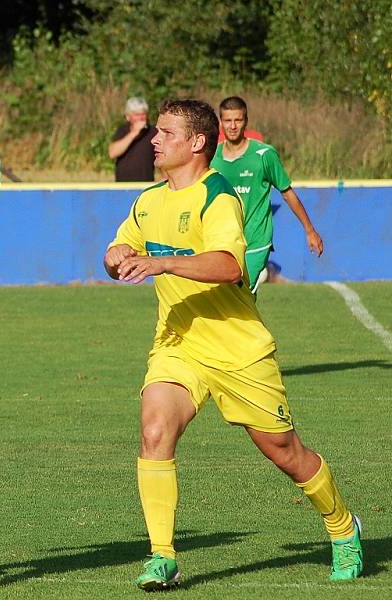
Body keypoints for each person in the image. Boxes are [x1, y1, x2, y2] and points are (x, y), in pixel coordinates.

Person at [103, 99, 363, 591]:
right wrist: (115, 256)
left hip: (238, 350)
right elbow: (117, 253)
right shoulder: (147, 201)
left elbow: (229, 266)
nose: (153, 141)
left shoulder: (217, 197)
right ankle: (162, 556)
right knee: (155, 429)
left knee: (285, 452)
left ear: (197, 143)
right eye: (154, 132)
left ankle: (343, 526)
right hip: (178, 343)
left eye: (164, 133)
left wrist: (161, 263)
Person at [211, 96, 323, 294]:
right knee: (231, 301)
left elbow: (287, 193)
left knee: (239, 295)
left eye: (238, 120)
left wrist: (309, 230)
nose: (233, 126)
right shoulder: (212, 157)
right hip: (224, 241)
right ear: (220, 122)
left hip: (256, 240)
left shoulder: (264, 155)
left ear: (246, 121)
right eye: (228, 120)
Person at [109, 96, 158, 182]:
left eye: (143, 114)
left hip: (146, 185)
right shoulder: (122, 130)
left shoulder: (152, 132)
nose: (141, 118)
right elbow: (112, 153)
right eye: (137, 115)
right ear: (128, 116)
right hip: (122, 186)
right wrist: (134, 133)